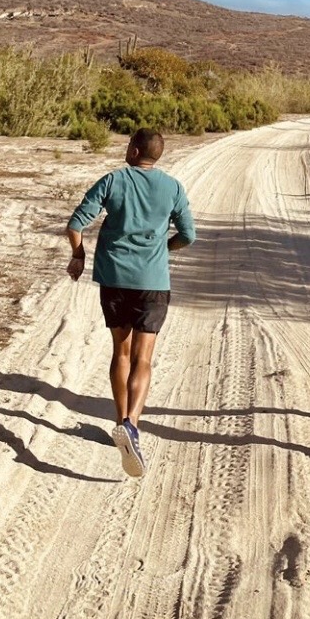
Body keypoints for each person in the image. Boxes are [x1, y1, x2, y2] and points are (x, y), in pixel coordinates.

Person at [66, 127, 195, 478]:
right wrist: (163, 249)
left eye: (128, 145)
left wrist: (78, 256)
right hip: (152, 283)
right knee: (143, 358)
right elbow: (188, 235)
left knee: (120, 353)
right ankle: (132, 426)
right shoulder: (173, 187)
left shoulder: (112, 180)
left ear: (136, 151)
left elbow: (76, 224)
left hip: (114, 281)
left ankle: (119, 423)